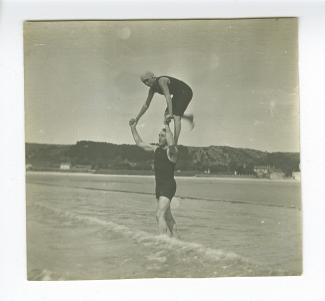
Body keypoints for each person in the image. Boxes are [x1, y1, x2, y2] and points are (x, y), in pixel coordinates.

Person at [129, 116, 178, 237]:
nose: (159, 138)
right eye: (159, 135)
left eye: (162, 136)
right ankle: (177, 241)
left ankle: (164, 242)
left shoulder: (172, 152)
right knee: (168, 217)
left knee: (159, 215)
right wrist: (133, 128)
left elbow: (172, 143)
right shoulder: (156, 149)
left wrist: (167, 125)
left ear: (167, 137)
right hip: (159, 187)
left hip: (168, 186)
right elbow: (140, 143)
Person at [134, 71, 194, 145]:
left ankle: (174, 143)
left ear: (152, 77)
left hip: (185, 91)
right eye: (144, 82)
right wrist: (137, 119)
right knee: (166, 115)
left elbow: (168, 97)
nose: (146, 84)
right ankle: (187, 119)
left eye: (147, 80)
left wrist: (171, 113)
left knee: (176, 116)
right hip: (177, 93)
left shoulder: (161, 81)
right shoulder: (152, 89)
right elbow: (146, 105)